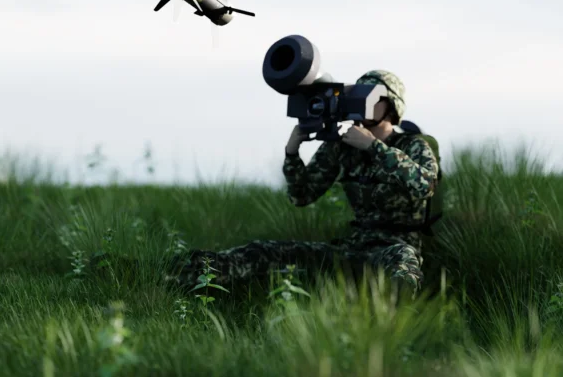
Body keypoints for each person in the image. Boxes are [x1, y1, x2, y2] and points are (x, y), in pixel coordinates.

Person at [170, 70, 440, 296]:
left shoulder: (413, 145)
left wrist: (373, 147)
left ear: (391, 106)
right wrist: (292, 152)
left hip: (395, 248)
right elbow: (301, 195)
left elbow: (425, 186)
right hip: (353, 248)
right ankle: (177, 274)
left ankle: (392, 322)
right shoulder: (343, 147)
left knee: (403, 267)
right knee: (264, 252)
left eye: (370, 96)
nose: (360, 102)